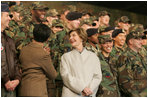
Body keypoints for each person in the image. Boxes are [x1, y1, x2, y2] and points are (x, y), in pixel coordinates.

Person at [60, 28, 102, 97]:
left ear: (82, 38)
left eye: (74, 35)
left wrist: (89, 89)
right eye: (70, 36)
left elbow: (97, 76)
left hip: (89, 94)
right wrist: (82, 88)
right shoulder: (66, 57)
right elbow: (65, 76)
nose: (71, 38)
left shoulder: (93, 56)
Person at [18, 24, 57, 97]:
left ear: (33, 35)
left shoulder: (23, 49)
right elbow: (53, 75)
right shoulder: (44, 54)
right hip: (37, 91)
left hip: (22, 89)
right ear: (47, 39)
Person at [117, 25, 147, 97]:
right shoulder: (125, 57)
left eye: (141, 39)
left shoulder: (141, 55)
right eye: (138, 39)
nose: (141, 41)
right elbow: (125, 82)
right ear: (130, 41)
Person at [1, 3, 21, 97]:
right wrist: (5, 80)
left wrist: (17, 78)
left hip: (11, 86)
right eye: (7, 15)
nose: (10, 18)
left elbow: (15, 60)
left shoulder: (9, 39)